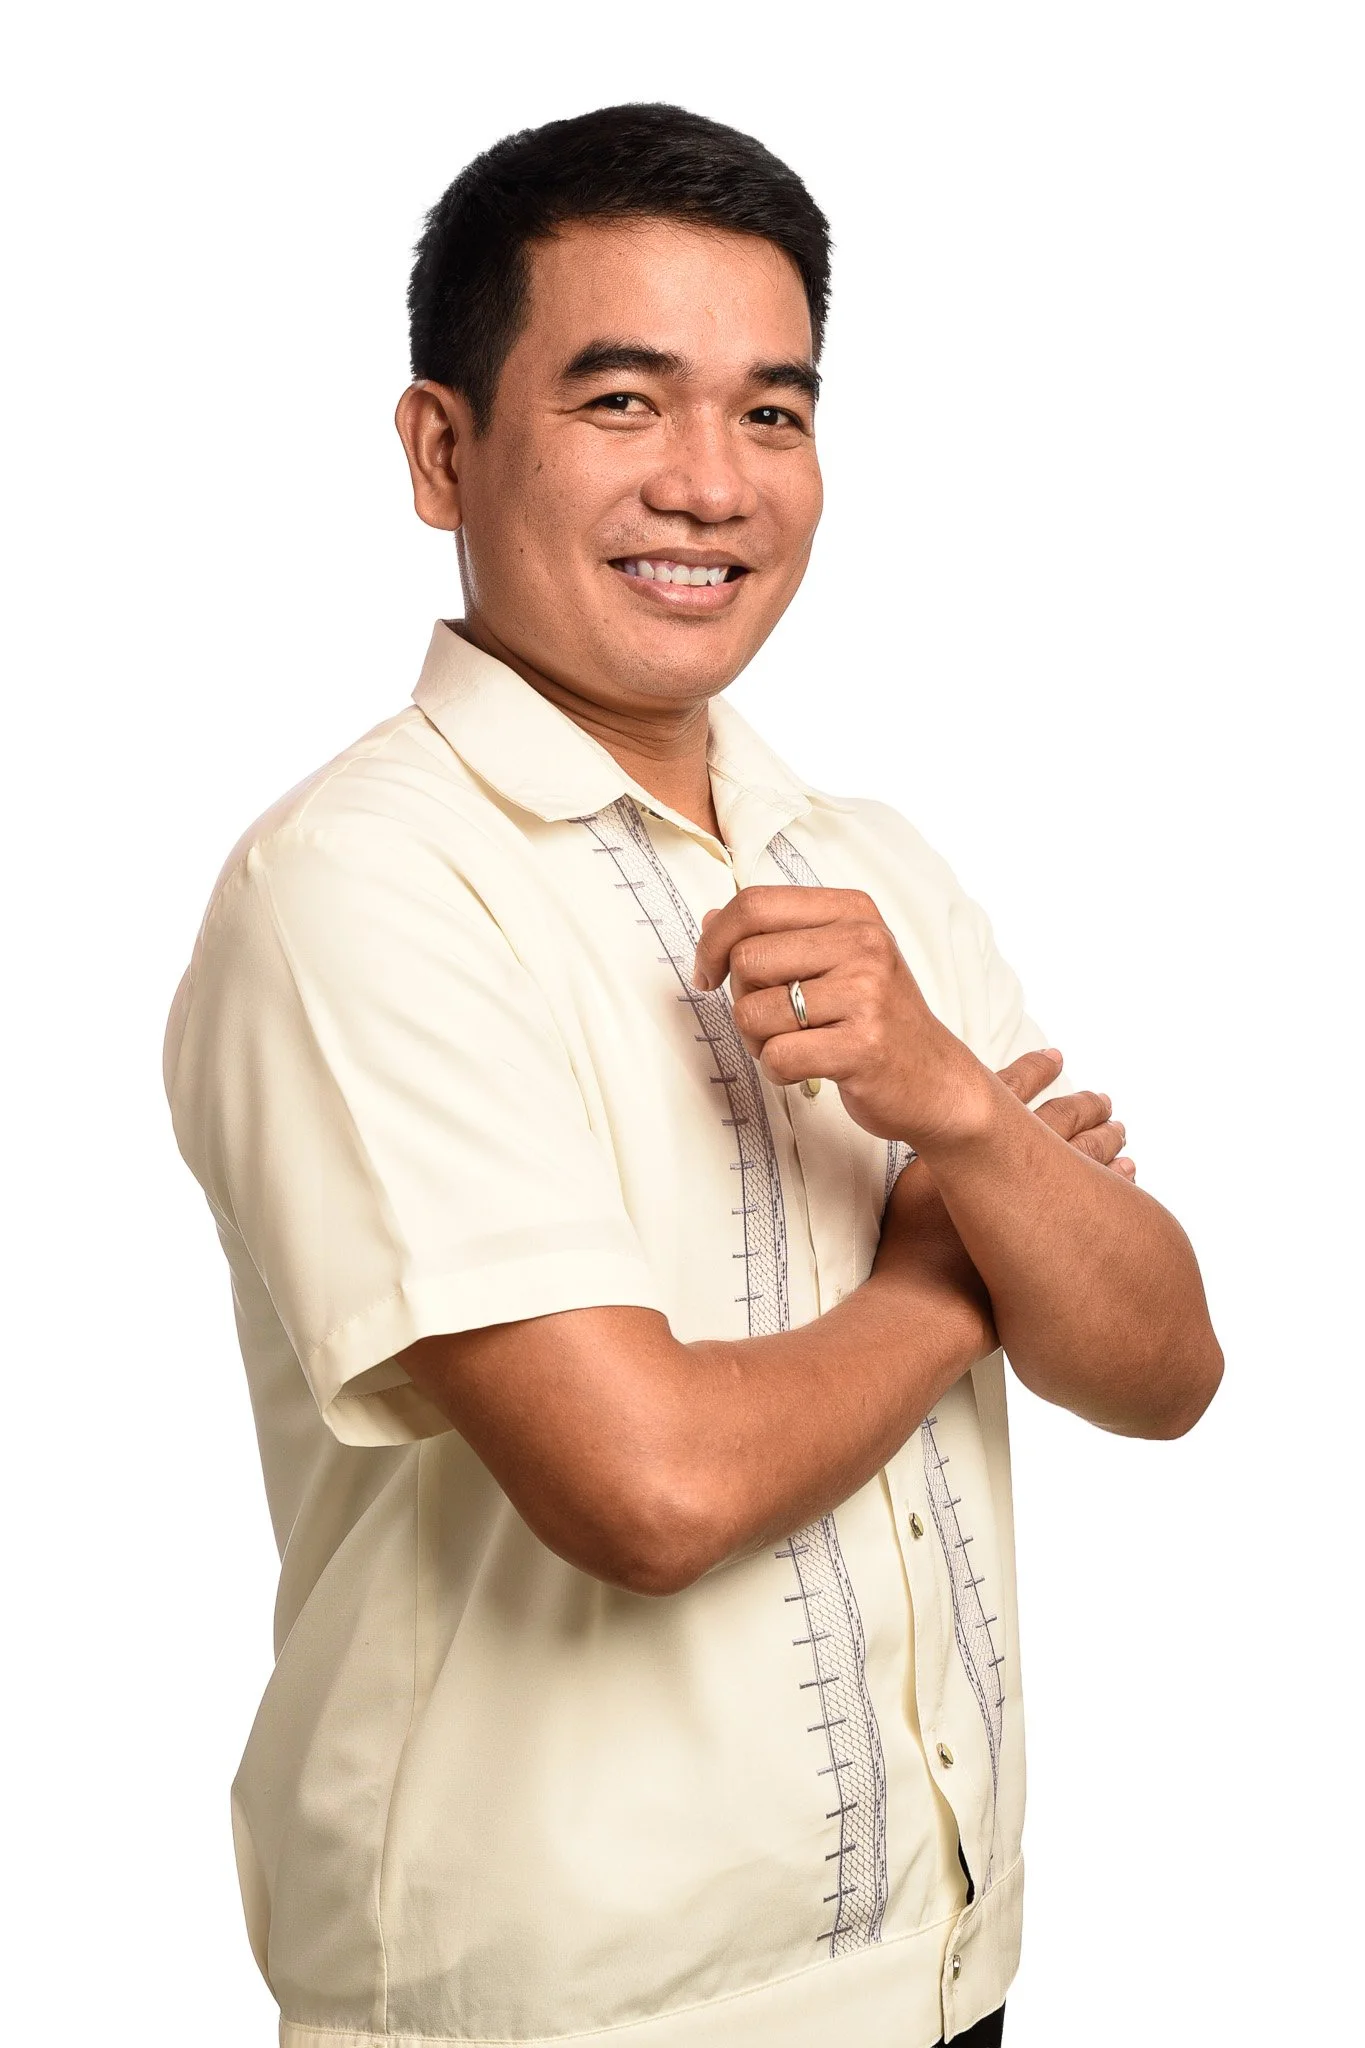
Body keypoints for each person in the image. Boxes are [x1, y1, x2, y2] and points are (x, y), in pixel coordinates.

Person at [163, 102, 1223, 2048]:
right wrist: (941, 1277)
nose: (709, 485)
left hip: (935, 1982)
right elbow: (637, 1481)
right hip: (563, 2026)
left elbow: (1160, 1366)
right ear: (442, 447)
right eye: (623, 401)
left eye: (770, 412)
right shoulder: (364, 889)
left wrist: (963, 1113)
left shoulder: (868, 859)